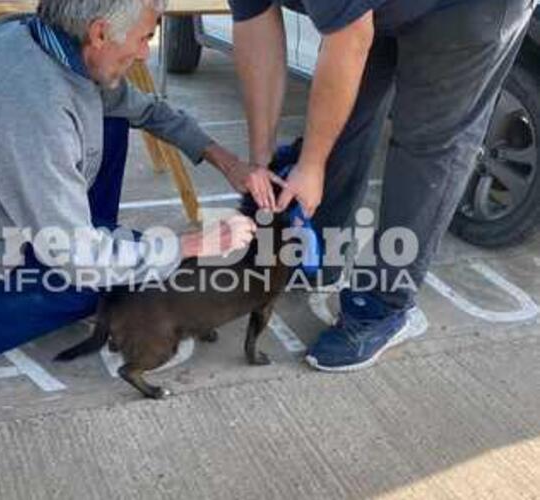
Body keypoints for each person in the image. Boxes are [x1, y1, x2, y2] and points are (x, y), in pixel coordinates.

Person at [0, 0, 281, 404]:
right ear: (100, 33)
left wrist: (228, 162)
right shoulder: (33, 110)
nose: (145, 52)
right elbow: (78, 257)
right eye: (144, 38)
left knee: (112, 118)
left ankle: (86, 245)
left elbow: (145, 109)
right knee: (111, 276)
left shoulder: (44, 42)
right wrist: (193, 245)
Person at [228, 0, 537, 371]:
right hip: (380, 8)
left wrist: (310, 166)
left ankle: (382, 305)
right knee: (341, 120)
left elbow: (349, 40)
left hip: (464, 10)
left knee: (428, 147)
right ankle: (319, 256)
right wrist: (261, 160)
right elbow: (255, 22)